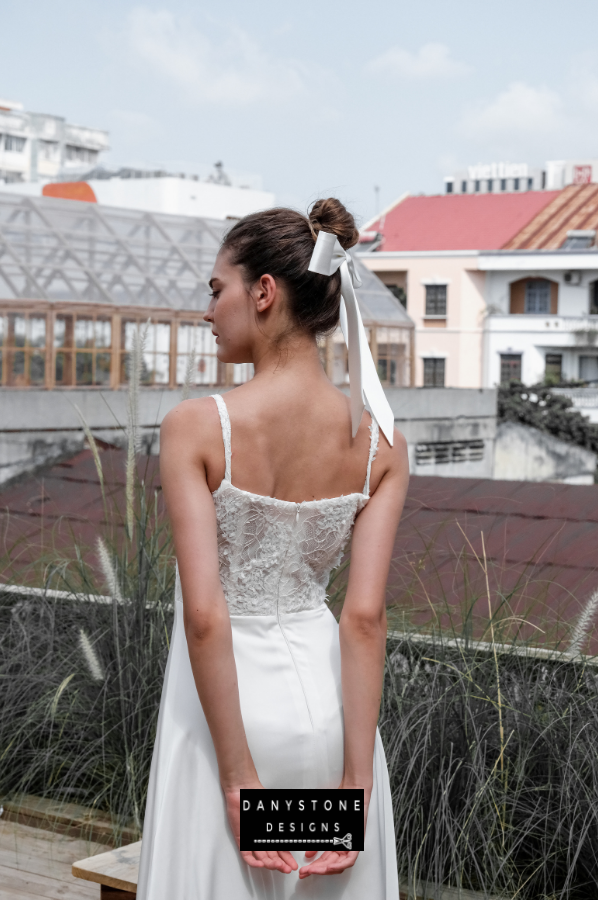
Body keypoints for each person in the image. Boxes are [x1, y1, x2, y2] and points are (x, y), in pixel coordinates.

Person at [137, 198, 410, 899]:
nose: (208, 309)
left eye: (216, 288)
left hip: (231, 724)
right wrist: (355, 778)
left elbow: (205, 616)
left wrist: (237, 778)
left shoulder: (195, 428)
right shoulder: (382, 444)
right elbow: (365, 618)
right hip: (331, 719)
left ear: (264, 292)